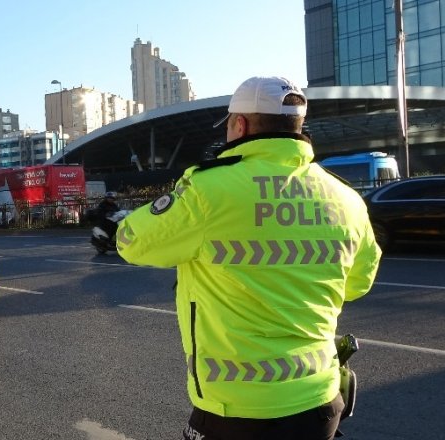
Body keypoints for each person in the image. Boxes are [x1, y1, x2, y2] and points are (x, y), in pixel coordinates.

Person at [116, 76, 382, 440]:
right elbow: (358, 284)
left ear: (239, 125)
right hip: (320, 401)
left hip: (236, 410)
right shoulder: (345, 198)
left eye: (228, 125)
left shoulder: (208, 191)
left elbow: (130, 241)